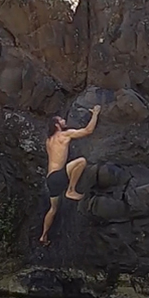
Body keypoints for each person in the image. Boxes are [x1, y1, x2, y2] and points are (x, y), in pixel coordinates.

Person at [39, 105, 101, 246]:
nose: (63, 120)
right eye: (61, 120)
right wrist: (95, 114)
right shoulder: (64, 135)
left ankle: (43, 235)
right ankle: (71, 190)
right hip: (59, 175)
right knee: (82, 161)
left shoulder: (49, 141)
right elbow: (88, 131)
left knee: (53, 209)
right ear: (56, 124)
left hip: (50, 179)